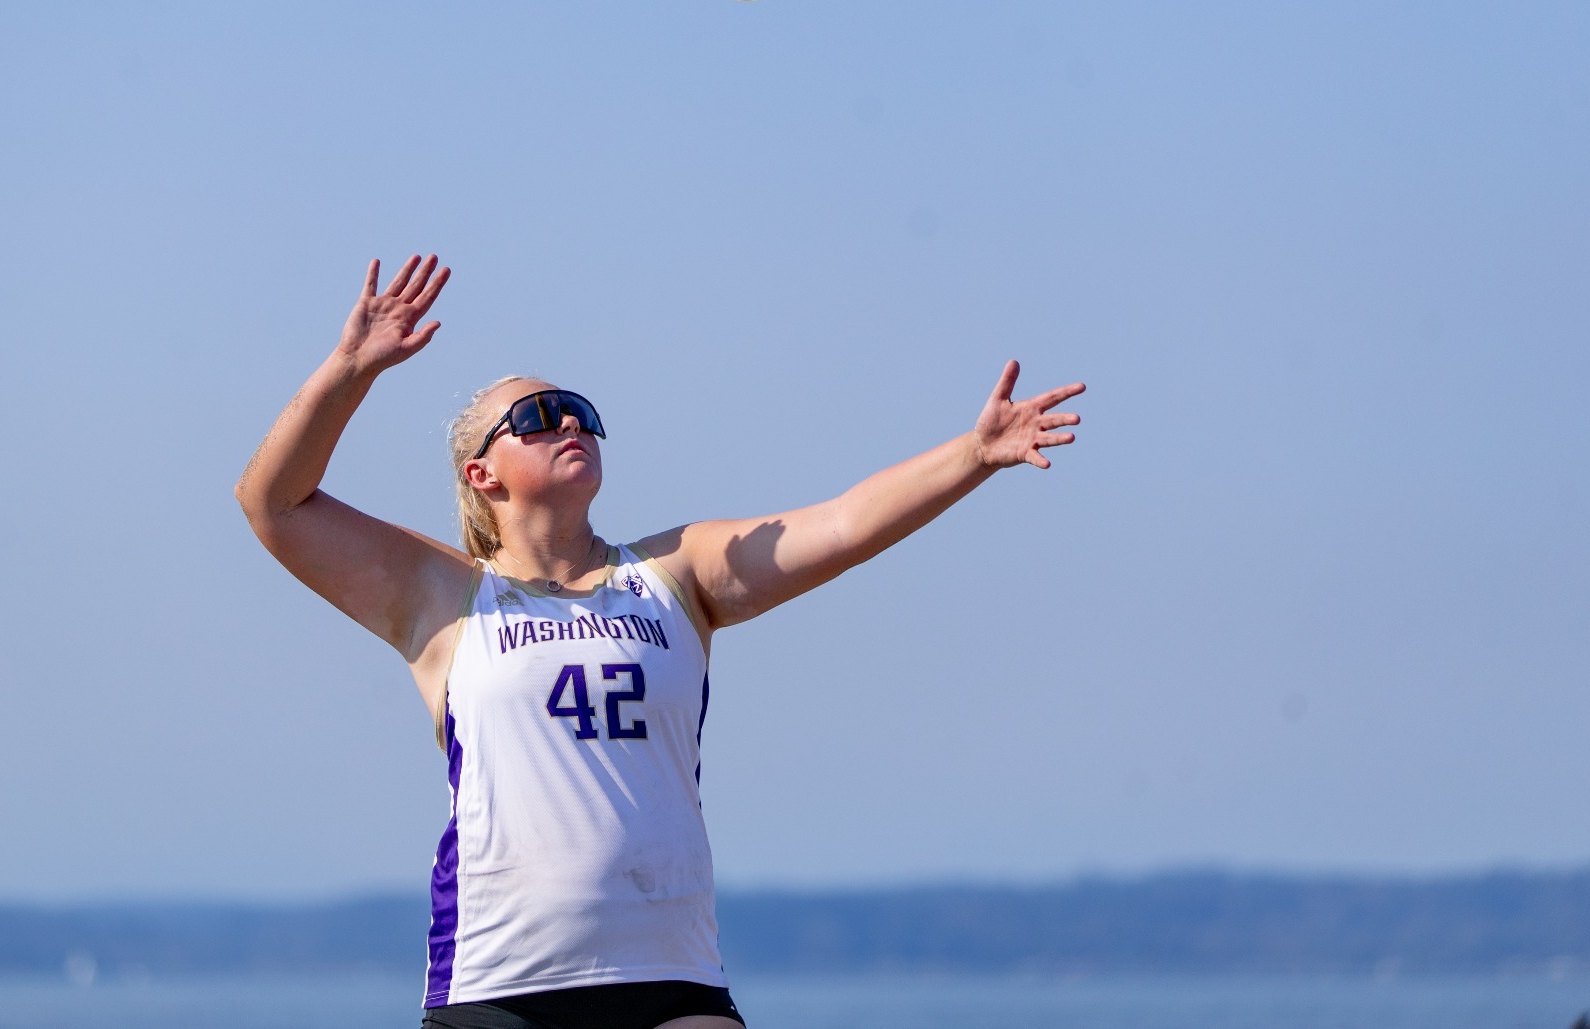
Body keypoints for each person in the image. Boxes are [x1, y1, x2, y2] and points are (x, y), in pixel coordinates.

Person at [234, 255, 1085, 1029]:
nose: (569, 422)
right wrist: (349, 373)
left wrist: (972, 454)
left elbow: (841, 523)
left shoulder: (678, 572)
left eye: (580, 412)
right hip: (498, 983)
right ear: (481, 475)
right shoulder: (444, 594)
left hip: (672, 977)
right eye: (536, 416)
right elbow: (274, 503)